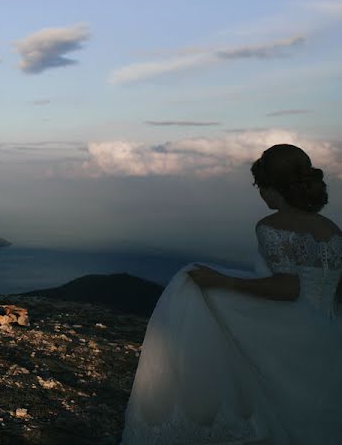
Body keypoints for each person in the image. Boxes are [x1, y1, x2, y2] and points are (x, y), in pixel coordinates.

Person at [122, 144, 342, 444]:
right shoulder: (331, 229)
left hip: (293, 337)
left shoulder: (271, 227)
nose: (259, 194)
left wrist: (221, 281)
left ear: (270, 188)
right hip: (331, 334)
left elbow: (288, 288)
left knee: (191, 284)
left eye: (259, 186)